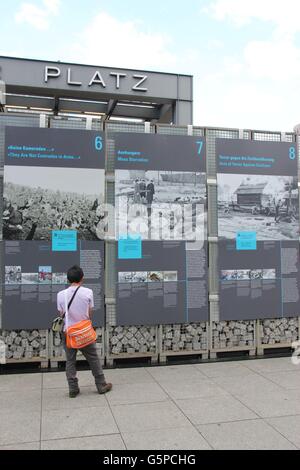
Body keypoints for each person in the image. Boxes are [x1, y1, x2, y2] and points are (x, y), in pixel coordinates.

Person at [57, 265, 112, 398]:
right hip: (84, 332)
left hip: (69, 332)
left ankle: (73, 389)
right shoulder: (88, 292)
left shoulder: (60, 295)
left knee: (70, 360)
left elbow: (61, 314)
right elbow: (89, 313)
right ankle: (101, 384)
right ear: (82, 278)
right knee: (93, 358)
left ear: (68, 279)